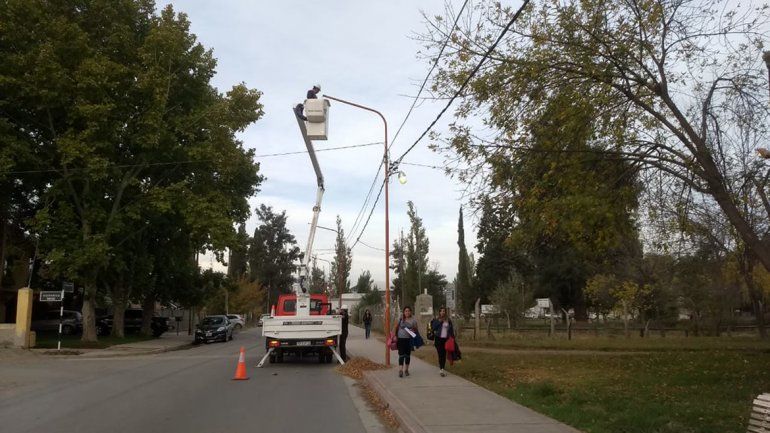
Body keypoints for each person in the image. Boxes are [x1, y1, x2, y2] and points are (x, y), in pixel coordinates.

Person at [394, 306, 418, 378]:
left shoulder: (413, 320)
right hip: (401, 339)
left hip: (408, 340)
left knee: (407, 356)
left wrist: (412, 331)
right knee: (401, 355)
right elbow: (396, 327)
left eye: (408, 311)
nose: (407, 312)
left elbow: (416, 329)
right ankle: (400, 370)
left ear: (410, 312)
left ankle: (406, 370)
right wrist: (395, 336)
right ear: (404, 312)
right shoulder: (400, 319)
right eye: (406, 311)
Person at [430, 306, 455, 377]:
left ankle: (442, 369)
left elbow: (451, 330)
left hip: (445, 339)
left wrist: (452, 338)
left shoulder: (448, 320)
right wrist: (439, 322)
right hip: (438, 339)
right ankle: (441, 367)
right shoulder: (436, 320)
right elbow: (433, 328)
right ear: (439, 312)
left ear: (445, 312)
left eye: (444, 311)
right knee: (440, 354)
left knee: (443, 354)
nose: (442, 312)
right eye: (441, 311)